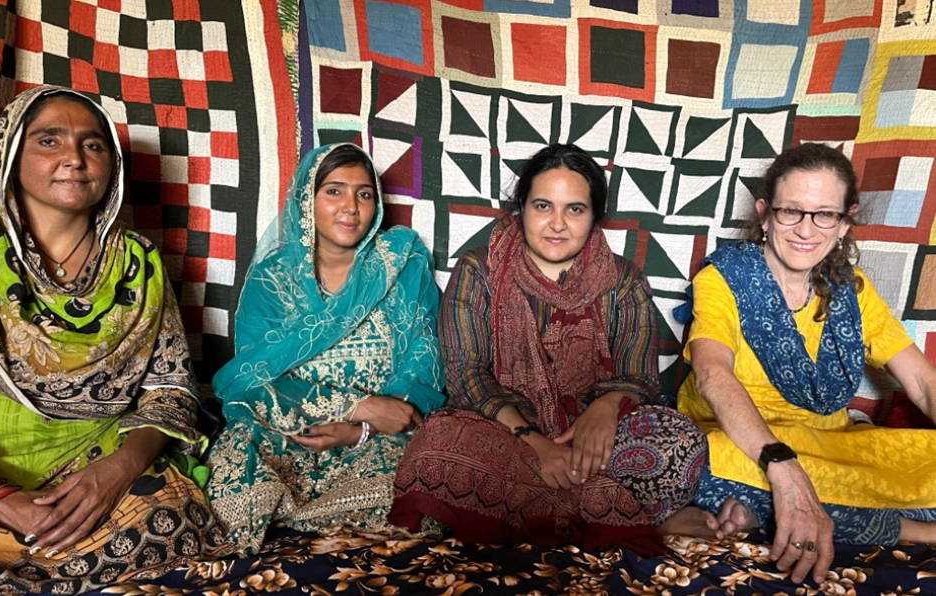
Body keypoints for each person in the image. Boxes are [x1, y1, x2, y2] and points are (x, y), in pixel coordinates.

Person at [387, 144, 708, 552]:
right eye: (543, 206)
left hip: (591, 437)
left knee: (680, 444)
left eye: (575, 209)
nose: (557, 224)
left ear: (595, 216)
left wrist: (605, 409)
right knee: (437, 445)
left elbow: (639, 376)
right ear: (522, 207)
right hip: (504, 430)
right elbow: (466, 374)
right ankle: (622, 518)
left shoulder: (623, 278)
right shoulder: (479, 269)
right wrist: (534, 443)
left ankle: (545, 515)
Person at [0, 86, 223, 594]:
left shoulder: (136, 262)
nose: (74, 158)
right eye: (49, 140)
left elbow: (170, 391)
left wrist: (117, 472)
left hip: (99, 463)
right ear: (8, 155)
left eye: (92, 145)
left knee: (172, 524)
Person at [676, 143, 936, 585]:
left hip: (830, 450)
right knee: (684, 461)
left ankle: (758, 513)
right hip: (742, 447)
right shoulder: (724, 278)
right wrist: (784, 470)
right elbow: (712, 374)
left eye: (825, 214)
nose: (805, 229)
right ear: (765, 214)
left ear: (845, 222)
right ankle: (921, 531)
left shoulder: (853, 291)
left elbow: (923, 384)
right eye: (791, 211)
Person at [205, 143, 445, 555]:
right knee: (236, 457)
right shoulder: (272, 279)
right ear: (307, 200)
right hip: (290, 434)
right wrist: (355, 407)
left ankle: (298, 522)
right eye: (334, 191)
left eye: (364, 194)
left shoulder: (401, 266)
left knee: (425, 482)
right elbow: (251, 380)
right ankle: (323, 522)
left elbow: (423, 364)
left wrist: (362, 429)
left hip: (379, 440)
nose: (351, 207)